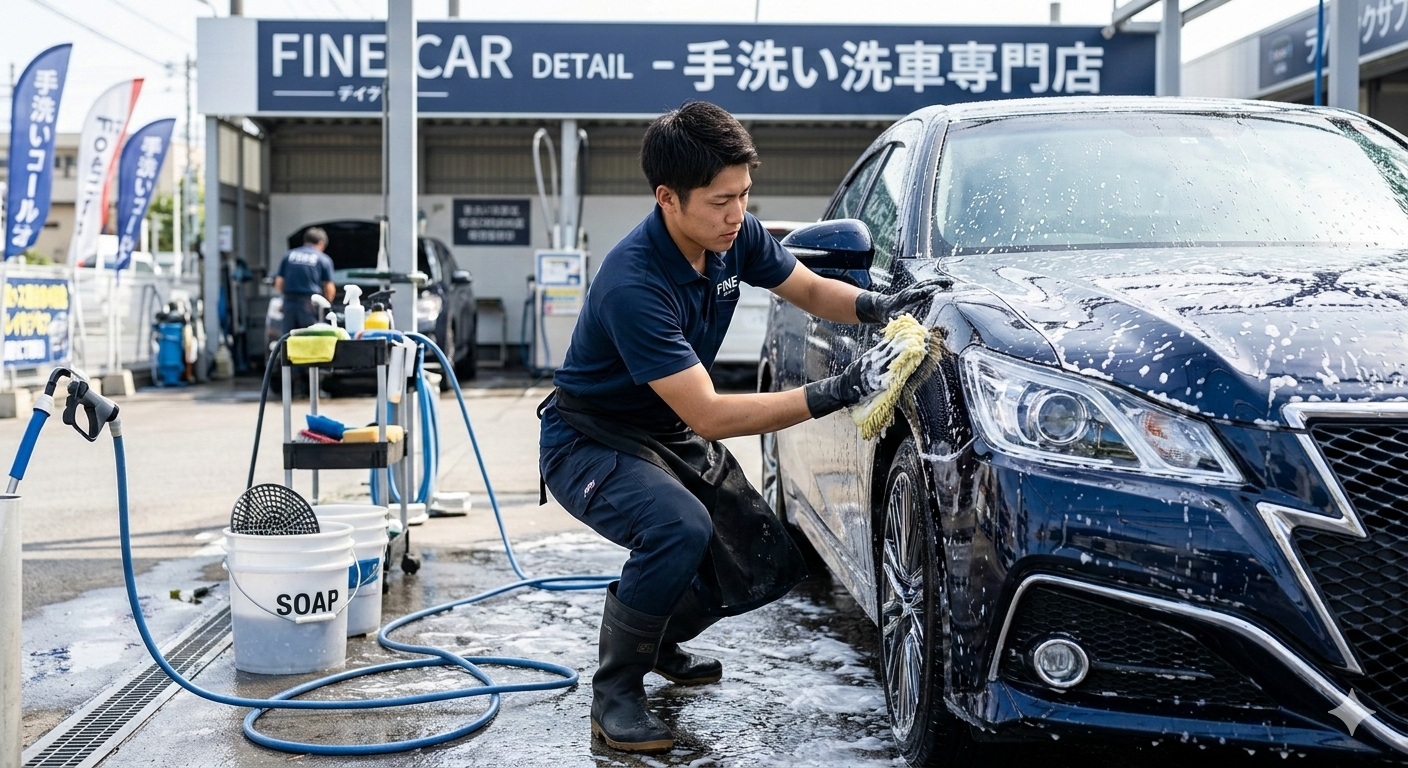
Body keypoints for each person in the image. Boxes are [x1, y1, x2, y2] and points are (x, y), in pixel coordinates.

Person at [538, 101, 938, 753]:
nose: (736, 214)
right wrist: (838, 391)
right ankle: (616, 693)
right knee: (679, 528)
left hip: (665, 432)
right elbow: (711, 414)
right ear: (668, 199)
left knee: (764, 559)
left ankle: (659, 638)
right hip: (590, 439)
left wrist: (879, 304)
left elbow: (807, 288)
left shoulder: (733, 237)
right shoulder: (633, 282)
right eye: (721, 201)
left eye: (744, 195)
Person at [273, 227, 336, 334]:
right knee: (309, 337)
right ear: (321, 243)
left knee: (288, 339)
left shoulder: (289, 255)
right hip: (310, 305)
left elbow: (279, 283)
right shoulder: (323, 259)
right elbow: (329, 289)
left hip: (289, 303)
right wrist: (326, 306)